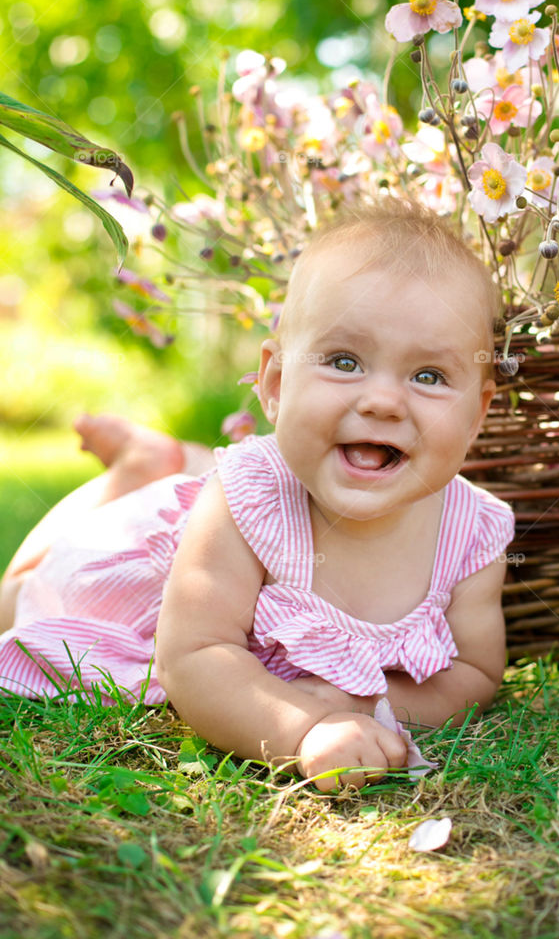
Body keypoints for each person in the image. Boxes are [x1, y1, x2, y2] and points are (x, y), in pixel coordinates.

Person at [0, 199, 515, 791]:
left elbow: (475, 671)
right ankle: (136, 470)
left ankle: (157, 459)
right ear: (273, 385)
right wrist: (306, 728)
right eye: (345, 361)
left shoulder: (474, 532)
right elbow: (192, 657)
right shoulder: (248, 499)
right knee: (17, 594)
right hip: (136, 585)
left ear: (478, 413)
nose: (383, 401)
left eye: (429, 376)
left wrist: (371, 701)